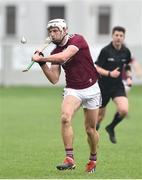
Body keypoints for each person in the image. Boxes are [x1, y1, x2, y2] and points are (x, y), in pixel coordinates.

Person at [32, 19, 101, 173]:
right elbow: (54, 79)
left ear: (64, 30)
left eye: (55, 30)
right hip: (73, 90)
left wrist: (42, 58)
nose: (52, 33)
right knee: (65, 118)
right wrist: (42, 64)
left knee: (90, 130)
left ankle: (93, 159)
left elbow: (65, 56)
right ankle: (69, 159)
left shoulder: (77, 40)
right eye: (50, 31)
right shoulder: (54, 52)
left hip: (92, 88)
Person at [95, 26, 132, 144]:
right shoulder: (105, 51)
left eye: (121, 36)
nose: (118, 38)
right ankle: (93, 133)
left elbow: (128, 66)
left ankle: (111, 127)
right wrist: (110, 73)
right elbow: (97, 68)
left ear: (124, 37)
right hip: (103, 87)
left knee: (124, 110)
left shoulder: (126, 51)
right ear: (112, 36)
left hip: (117, 86)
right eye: (116, 35)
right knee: (99, 117)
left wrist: (129, 77)